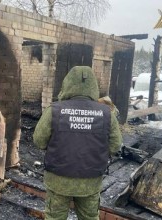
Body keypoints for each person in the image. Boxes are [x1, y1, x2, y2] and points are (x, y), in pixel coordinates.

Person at [33, 66, 122, 220]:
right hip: (91, 181)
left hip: (58, 180)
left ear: (67, 84)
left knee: (54, 217)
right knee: (89, 217)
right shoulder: (107, 113)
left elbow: (39, 141)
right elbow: (116, 145)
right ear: (93, 87)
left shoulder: (54, 110)